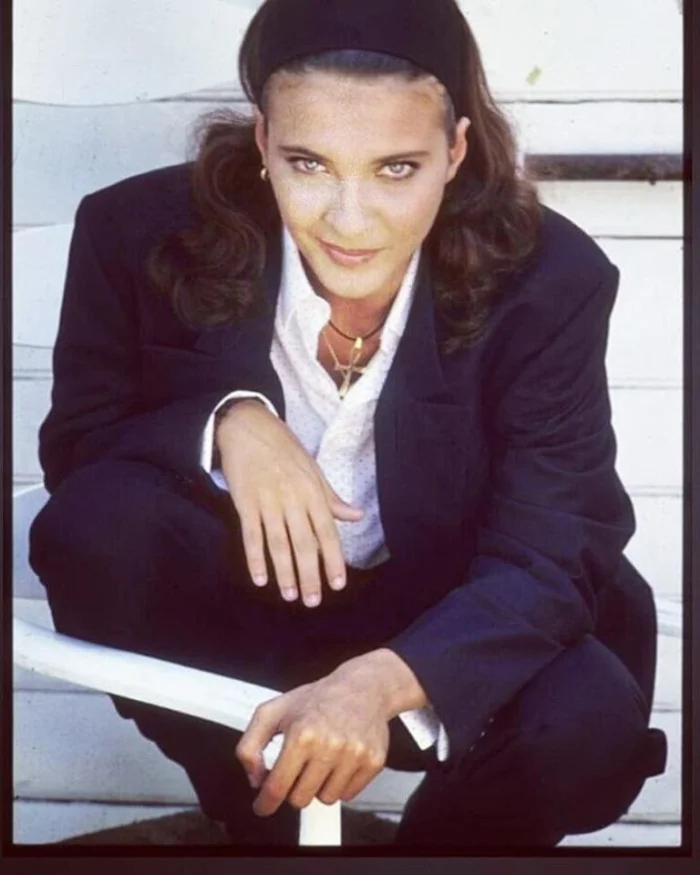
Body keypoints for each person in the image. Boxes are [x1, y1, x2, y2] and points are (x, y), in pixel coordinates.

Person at [28, 0, 667, 849]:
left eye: (397, 168)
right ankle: (267, 822)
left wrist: (379, 684)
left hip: (448, 618)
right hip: (246, 623)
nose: (350, 219)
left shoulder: (552, 278)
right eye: (309, 163)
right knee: (96, 525)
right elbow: (80, 450)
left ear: (455, 152)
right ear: (262, 142)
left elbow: (555, 544)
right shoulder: (134, 231)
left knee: (583, 722)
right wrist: (226, 422)